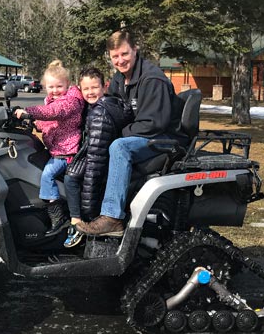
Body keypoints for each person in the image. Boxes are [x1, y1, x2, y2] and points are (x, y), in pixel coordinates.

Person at [75, 30, 186, 237]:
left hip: (166, 139)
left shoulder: (152, 79)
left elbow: (154, 123)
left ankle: (112, 217)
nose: (120, 60)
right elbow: (112, 110)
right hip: (144, 134)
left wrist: (118, 135)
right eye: (115, 56)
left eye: (124, 54)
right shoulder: (119, 79)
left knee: (119, 147)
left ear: (135, 50)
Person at [14, 60, 85, 236]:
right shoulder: (53, 100)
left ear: (67, 84)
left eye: (59, 86)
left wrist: (28, 111)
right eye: (51, 87)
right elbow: (50, 122)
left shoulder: (70, 101)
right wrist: (32, 123)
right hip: (57, 149)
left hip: (67, 151)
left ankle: (58, 217)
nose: (55, 90)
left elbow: (53, 113)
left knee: (47, 174)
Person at [62, 67, 129, 248]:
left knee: (70, 178)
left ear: (105, 87)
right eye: (86, 89)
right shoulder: (93, 107)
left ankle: (76, 223)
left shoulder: (100, 113)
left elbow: (96, 161)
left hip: (103, 163)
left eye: (94, 88)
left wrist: (89, 211)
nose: (90, 92)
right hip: (98, 158)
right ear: (79, 89)